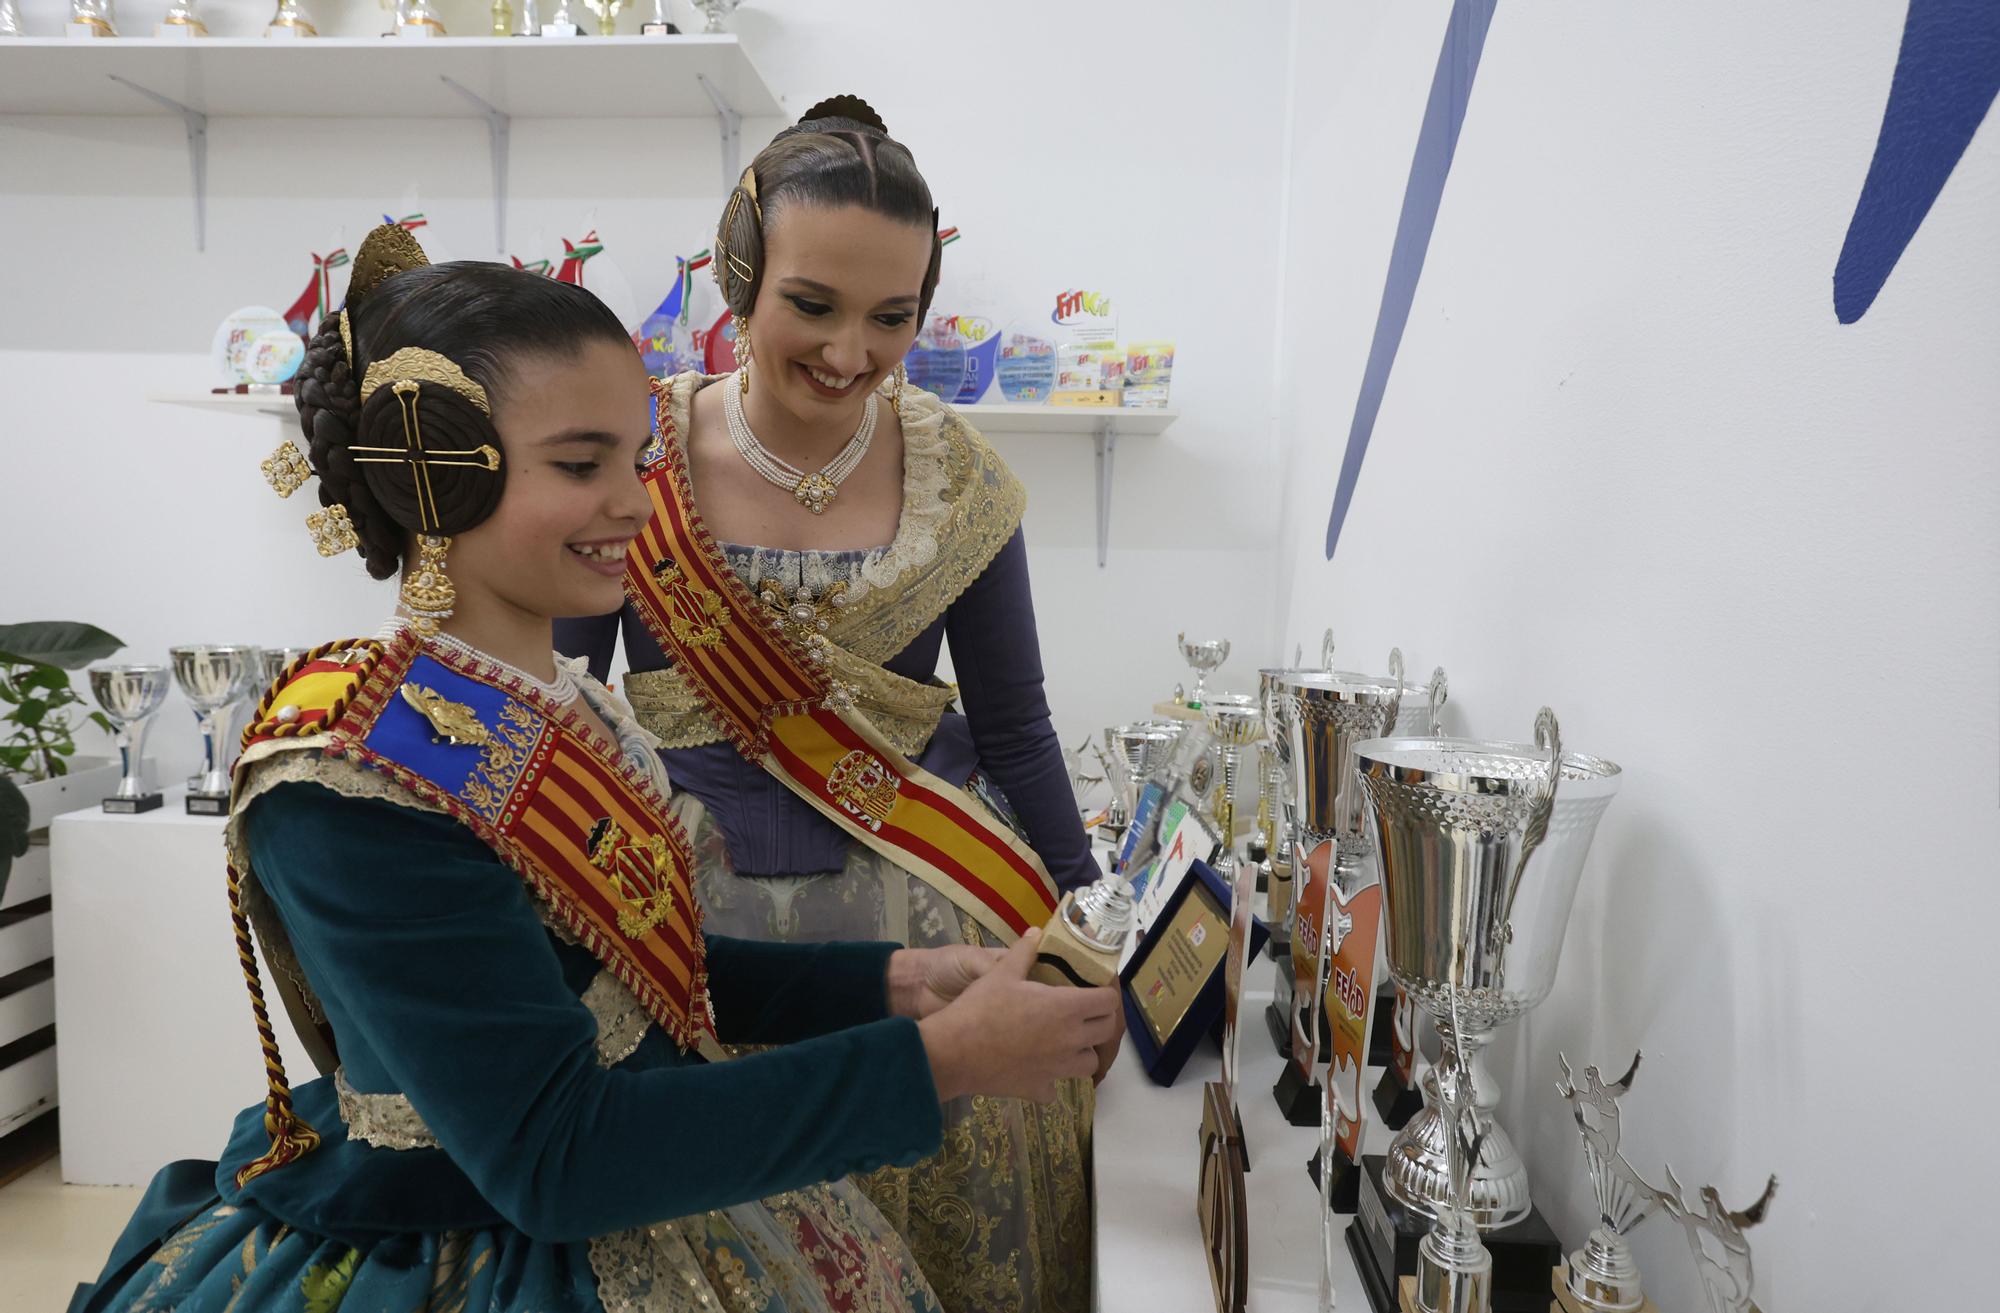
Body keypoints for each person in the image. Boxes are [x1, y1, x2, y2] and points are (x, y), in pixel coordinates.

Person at [69, 222, 1123, 1313]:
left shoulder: (559, 703)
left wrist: (890, 984)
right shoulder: (352, 786)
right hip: (481, 1249)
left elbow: (629, 974)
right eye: (581, 465)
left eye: (639, 459)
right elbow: (556, 1157)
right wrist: (940, 1063)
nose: (634, 502)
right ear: (434, 477)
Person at [556, 95, 1103, 1313]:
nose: (850, 351)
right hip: (696, 934)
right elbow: (560, 701)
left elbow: (1014, 726)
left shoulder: (960, 474)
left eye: (891, 316)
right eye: (812, 304)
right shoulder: (626, 458)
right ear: (739, 279)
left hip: (936, 915)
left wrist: (1083, 934)